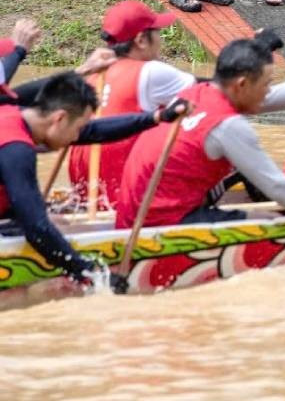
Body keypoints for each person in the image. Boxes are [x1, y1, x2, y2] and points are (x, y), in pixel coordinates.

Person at [114, 35, 285, 232]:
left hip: (134, 212)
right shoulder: (228, 126)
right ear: (241, 84)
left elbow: (279, 96)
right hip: (158, 225)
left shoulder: (195, 93)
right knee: (272, 222)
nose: (268, 91)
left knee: (246, 171)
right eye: (266, 84)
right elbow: (277, 185)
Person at [2, 72, 185, 290]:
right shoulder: (16, 149)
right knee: (43, 223)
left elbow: (94, 131)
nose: (76, 137)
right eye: (78, 128)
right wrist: (92, 275)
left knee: (50, 218)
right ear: (59, 118)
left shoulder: (10, 112)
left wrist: (157, 117)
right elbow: (37, 229)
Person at [59, 0, 195, 206]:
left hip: (88, 194)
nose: (160, 40)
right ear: (141, 40)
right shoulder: (151, 71)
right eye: (157, 32)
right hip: (126, 194)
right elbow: (209, 92)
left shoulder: (91, 75)